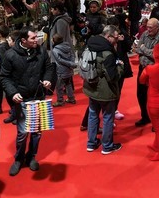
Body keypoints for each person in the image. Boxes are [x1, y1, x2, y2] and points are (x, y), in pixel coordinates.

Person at [0, 27, 54, 176]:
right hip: (21, 98)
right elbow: (4, 77)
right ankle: (19, 158)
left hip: (38, 96)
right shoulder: (10, 55)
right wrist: (12, 92)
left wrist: (48, 79)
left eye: (36, 37)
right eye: (33, 38)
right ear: (23, 40)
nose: (37, 40)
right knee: (22, 132)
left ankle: (32, 156)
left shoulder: (41, 51)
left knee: (37, 132)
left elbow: (49, 68)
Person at [83, 25, 124, 154]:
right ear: (108, 36)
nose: (116, 40)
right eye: (115, 37)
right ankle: (107, 146)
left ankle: (91, 143)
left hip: (91, 87)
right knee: (107, 117)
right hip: (105, 91)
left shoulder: (90, 45)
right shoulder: (107, 53)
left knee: (93, 115)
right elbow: (113, 77)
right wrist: (120, 67)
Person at [136, 18, 159, 127]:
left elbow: (156, 55)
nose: (147, 29)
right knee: (141, 94)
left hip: (155, 71)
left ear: (157, 28)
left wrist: (143, 49)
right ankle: (145, 117)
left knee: (155, 98)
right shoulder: (144, 34)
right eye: (147, 26)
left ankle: (157, 122)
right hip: (143, 68)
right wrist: (146, 50)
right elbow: (137, 48)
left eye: (150, 27)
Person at [51, 33, 77, 107]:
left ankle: (60, 100)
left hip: (61, 70)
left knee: (59, 86)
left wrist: (70, 64)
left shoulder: (55, 50)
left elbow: (59, 60)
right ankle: (71, 98)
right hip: (69, 69)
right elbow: (72, 55)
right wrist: (71, 63)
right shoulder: (67, 46)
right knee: (68, 84)